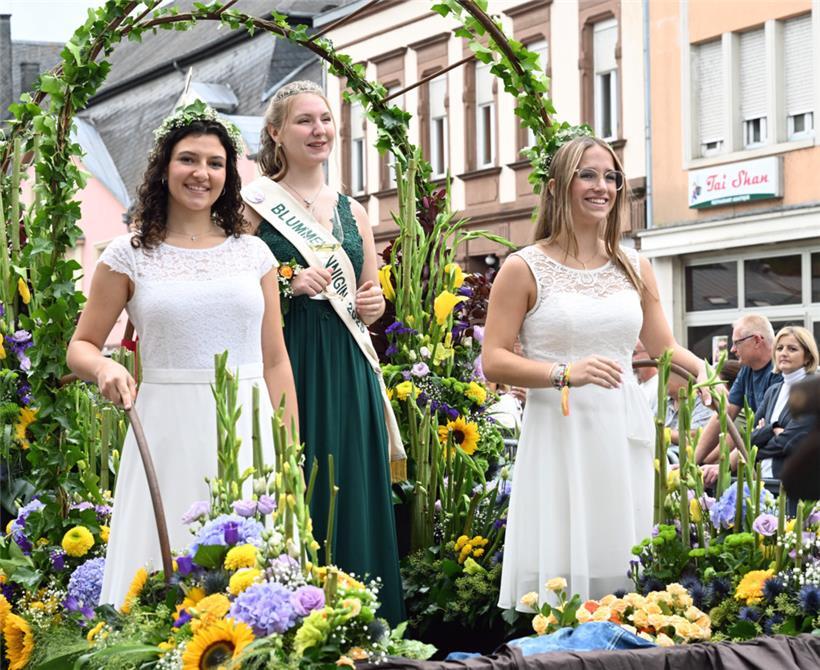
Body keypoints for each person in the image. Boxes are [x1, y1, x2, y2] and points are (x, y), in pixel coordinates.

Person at [67, 103, 298, 607]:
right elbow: (80, 347)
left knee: (252, 575)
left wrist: (289, 448)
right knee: (161, 563)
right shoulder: (127, 254)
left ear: (228, 175)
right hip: (167, 425)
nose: (202, 173)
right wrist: (106, 365)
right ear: (163, 168)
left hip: (249, 426)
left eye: (215, 163)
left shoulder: (253, 254)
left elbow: (276, 359)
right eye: (188, 160)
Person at [483, 136, 707, 607]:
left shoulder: (636, 266)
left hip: (621, 429)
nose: (601, 186)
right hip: (559, 431)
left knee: (621, 554)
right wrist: (565, 372)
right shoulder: (523, 267)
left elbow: (665, 346)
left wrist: (702, 372)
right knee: (565, 564)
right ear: (556, 186)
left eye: (610, 176)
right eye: (587, 174)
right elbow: (494, 359)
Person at [240, 80, 405, 624]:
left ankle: (366, 618)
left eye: (326, 120)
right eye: (305, 121)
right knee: (301, 479)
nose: (319, 130)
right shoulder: (253, 208)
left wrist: (376, 301)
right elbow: (236, 292)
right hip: (289, 360)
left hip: (349, 361)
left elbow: (371, 296)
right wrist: (287, 286)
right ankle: (298, 618)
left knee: (353, 482)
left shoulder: (353, 212)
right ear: (276, 133)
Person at [695, 314, 781, 486]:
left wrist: (722, 467)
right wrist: (691, 461)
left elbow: (764, 433)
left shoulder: (780, 371)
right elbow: (724, 415)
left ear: (757, 340)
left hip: (781, 466)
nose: (733, 349)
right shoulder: (747, 370)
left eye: (737, 343)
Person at [750, 326, 818, 487]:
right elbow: (748, 438)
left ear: (808, 357)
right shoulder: (773, 391)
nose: (784, 353)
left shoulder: (813, 390)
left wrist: (757, 448)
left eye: (792, 349)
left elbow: (790, 443)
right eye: (779, 348)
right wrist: (772, 429)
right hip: (764, 482)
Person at [633, 339, 659, 415]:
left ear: (649, 353)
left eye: (634, 354)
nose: (632, 360)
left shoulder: (659, 386)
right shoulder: (639, 388)